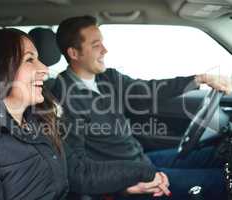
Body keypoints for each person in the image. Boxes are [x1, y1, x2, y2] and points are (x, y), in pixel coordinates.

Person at [0, 28, 164, 200]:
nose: (44, 69)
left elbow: (76, 174)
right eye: (30, 60)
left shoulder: (38, 120)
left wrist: (136, 177)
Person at [52, 15, 232, 200]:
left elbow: (148, 91)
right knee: (223, 183)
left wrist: (199, 79)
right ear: (74, 53)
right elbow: (79, 168)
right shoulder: (64, 100)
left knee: (214, 156)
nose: (105, 50)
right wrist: (122, 185)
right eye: (96, 45)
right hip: (127, 180)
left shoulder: (107, 77)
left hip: (140, 161)